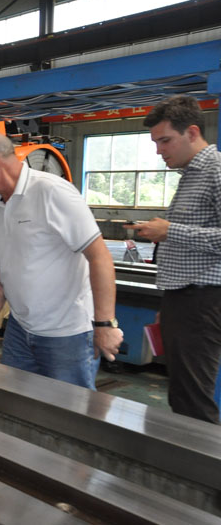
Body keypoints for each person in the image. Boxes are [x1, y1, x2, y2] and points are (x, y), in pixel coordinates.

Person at [0, 130, 122, 389]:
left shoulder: (52, 192)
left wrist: (105, 323)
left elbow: (100, 257)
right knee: (15, 401)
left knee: (69, 408)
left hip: (66, 333)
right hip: (20, 329)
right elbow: (6, 265)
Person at [125, 95, 221, 424]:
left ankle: (198, 456)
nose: (159, 150)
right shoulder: (191, 174)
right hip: (185, 297)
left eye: (165, 141)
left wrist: (170, 231)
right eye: (155, 142)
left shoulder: (215, 171)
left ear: (192, 132)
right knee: (183, 392)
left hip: (204, 299)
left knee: (192, 400)